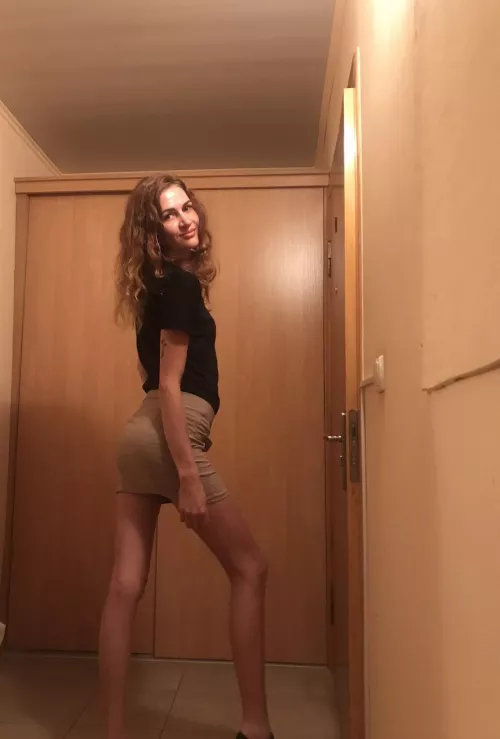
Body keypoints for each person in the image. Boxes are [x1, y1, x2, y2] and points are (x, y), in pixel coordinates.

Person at [99, 174, 274, 739]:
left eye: (187, 206)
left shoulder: (152, 286)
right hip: (171, 433)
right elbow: (171, 386)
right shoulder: (179, 285)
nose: (186, 219)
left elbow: (149, 376)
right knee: (250, 569)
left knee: (125, 586)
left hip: (137, 434)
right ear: (154, 231)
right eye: (170, 215)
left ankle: (113, 731)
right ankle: (255, 727)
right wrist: (187, 476)